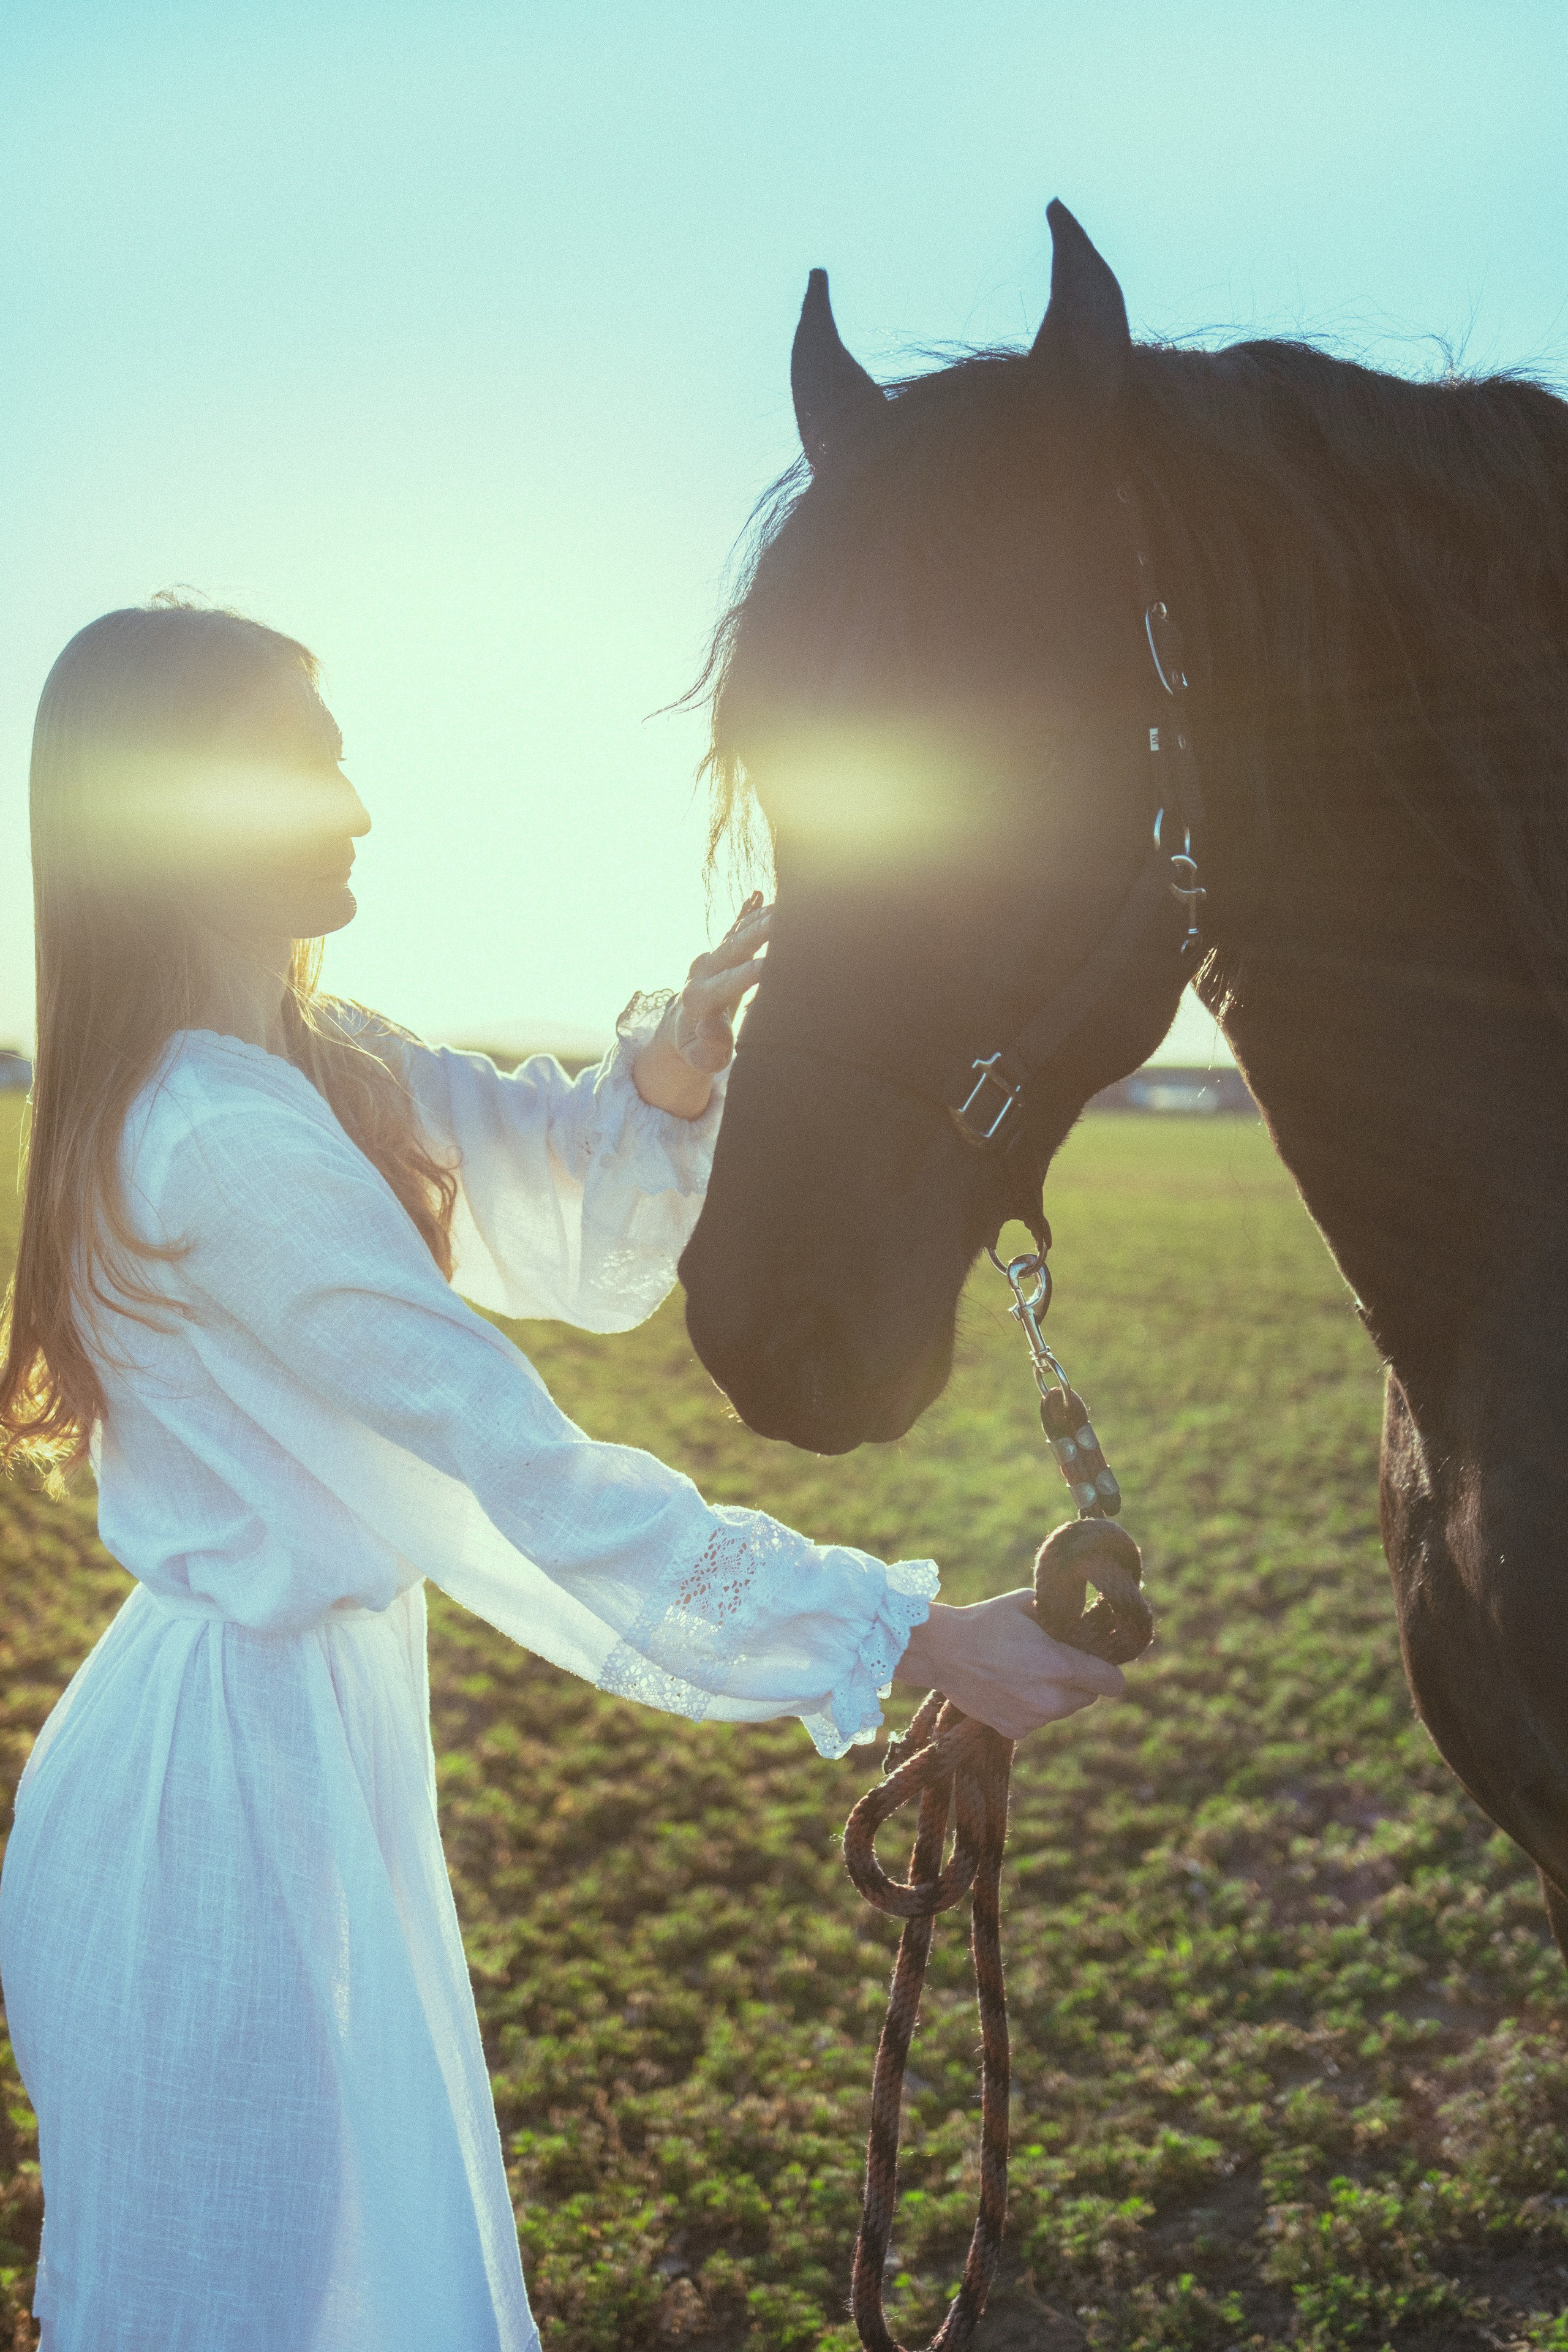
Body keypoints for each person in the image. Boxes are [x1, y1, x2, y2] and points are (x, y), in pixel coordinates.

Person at [0, 601, 1123, 2352]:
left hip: (289, 1747)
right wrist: (908, 1633)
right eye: (302, 761)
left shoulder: (307, 1065)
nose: (356, 804)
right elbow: (513, 1473)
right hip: (222, 1806)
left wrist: (674, 1061)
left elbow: (545, 1194)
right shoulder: (218, 1133)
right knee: (248, 2299)